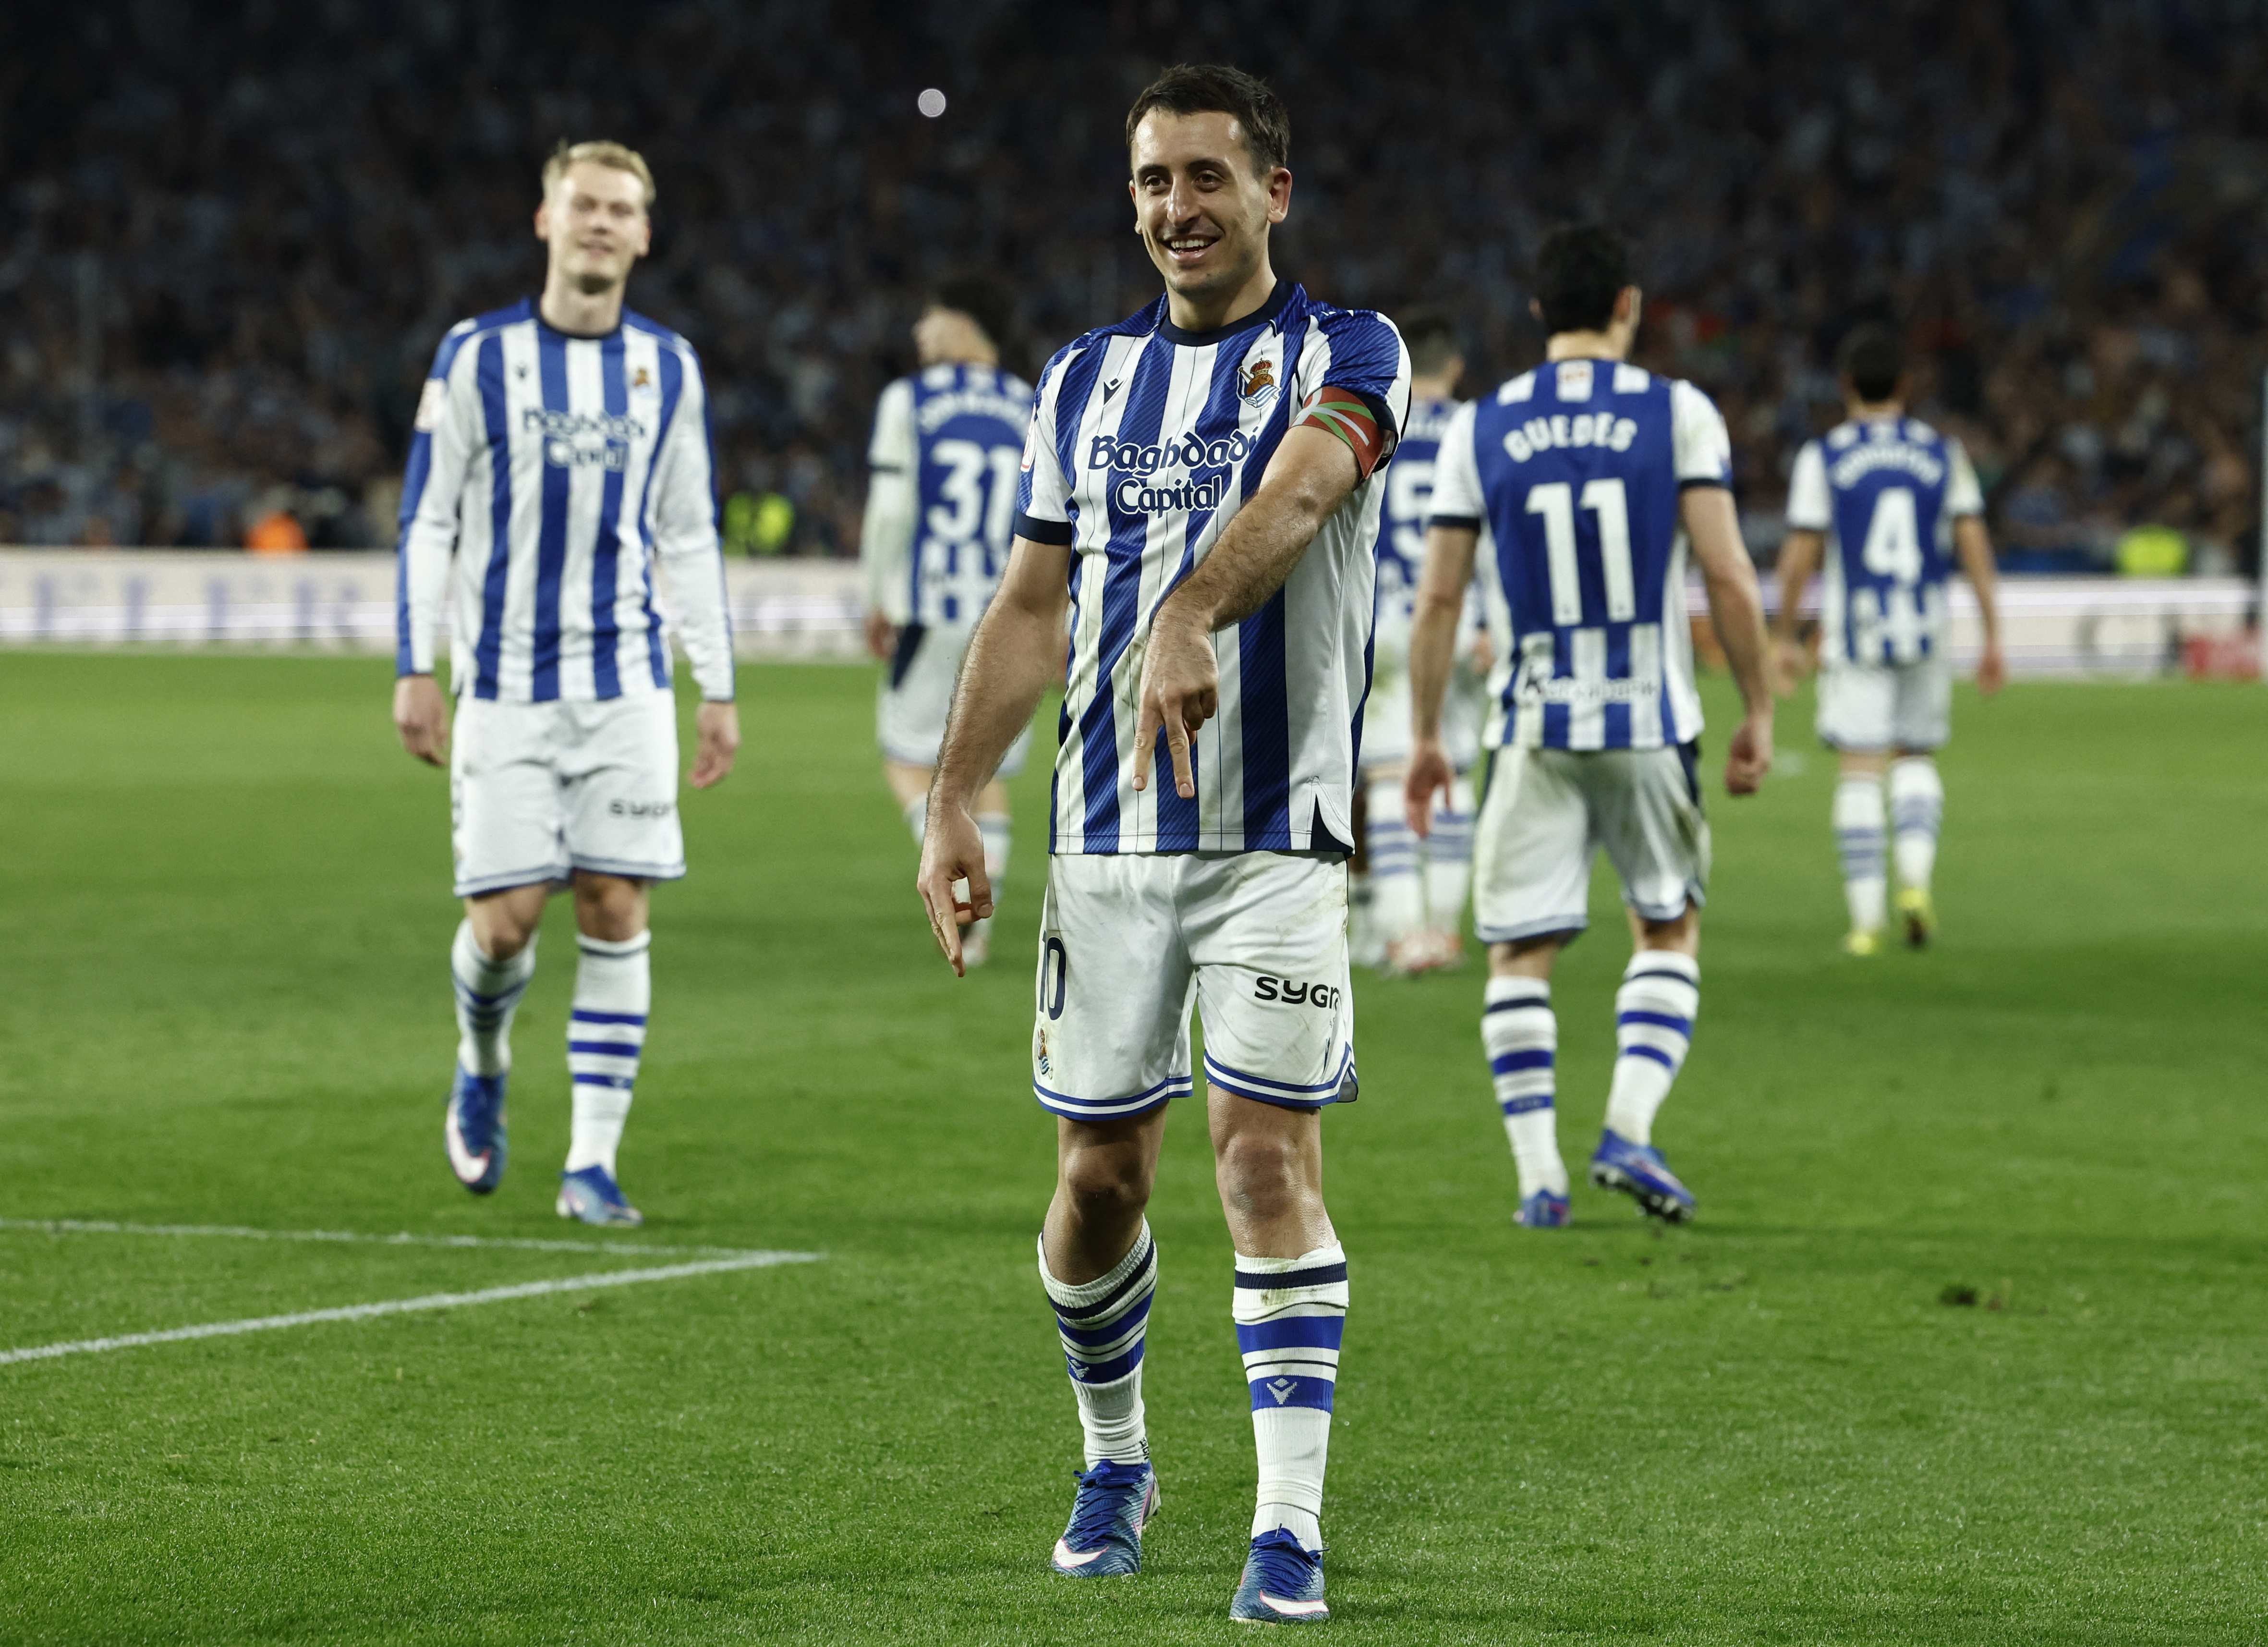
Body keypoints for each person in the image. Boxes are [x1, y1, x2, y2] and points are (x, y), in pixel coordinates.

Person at [913, 63, 1407, 1625]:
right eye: (1151, 184)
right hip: (1107, 846)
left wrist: (1193, 607)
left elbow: (1310, 487)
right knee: (1099, 1188)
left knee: (1264, 1163)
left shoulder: (1349, 349)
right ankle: (1114, 1459)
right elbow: (1032, 609)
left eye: (1205, 177)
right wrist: (951, 796)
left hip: (1273, 837)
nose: (1176, 209)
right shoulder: (1077, 384)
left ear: (1273, 190)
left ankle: (1287, 1526)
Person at [391, 140, 738, 1229]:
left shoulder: (669, 367)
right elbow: (427, 519)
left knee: (613, 901)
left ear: (643, 234)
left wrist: (715, 684)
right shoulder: (475, 356)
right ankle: (482, 1058)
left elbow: (688, 532)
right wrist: (415, 663)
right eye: (581, 204)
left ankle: (591, 1162)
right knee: (502, 924)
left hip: (628, 683)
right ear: (545, 222)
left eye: (620, 209)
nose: (599, 222)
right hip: (500, 684)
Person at [1406, 221, 1773, 1232]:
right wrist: (1760, 706)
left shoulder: (1481, 426)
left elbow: (1437, 601)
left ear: (1536, 312)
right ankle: (1626, 1126)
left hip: (1529, 726)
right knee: (1665, 925)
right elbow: (1730, 575)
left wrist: (1430, 730)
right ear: (1629, 306)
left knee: (1519, 950)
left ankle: (1539, 1180)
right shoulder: (1679, 412)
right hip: (1649, 718)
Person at [1771, 324, 2005, 953]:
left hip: (1858, 632)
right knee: (1916, 756)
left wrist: (1785, 635)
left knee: (1859, 767)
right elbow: (1973, 542)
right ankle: (1917, 883)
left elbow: (1801, 552)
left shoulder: (1826, 456)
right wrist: (1992, 632)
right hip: (1924, 626)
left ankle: (1867, 920)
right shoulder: (1942, 453)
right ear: (1906, 385)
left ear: (1844, 384)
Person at [859, 277, 1035, 968]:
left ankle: (950, 883)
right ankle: (979, 919)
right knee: (985, 766)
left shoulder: (911, 400)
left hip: (932, 607)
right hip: (1005, 613)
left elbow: (893, 512)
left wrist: (881, 596)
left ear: (966, 323)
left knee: (908, 757)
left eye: (931, 321)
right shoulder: (1030, 402)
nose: (921, 336)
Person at [1355, 305, 1488, 976]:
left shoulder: (1373, 421)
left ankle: (1405, 936)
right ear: (1455, 366)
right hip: (1461, 616)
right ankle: (1444, 930)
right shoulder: (1479, 429)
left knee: (1386, 773)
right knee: (1452, 771)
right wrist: (1495, 620)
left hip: (1383, 618)